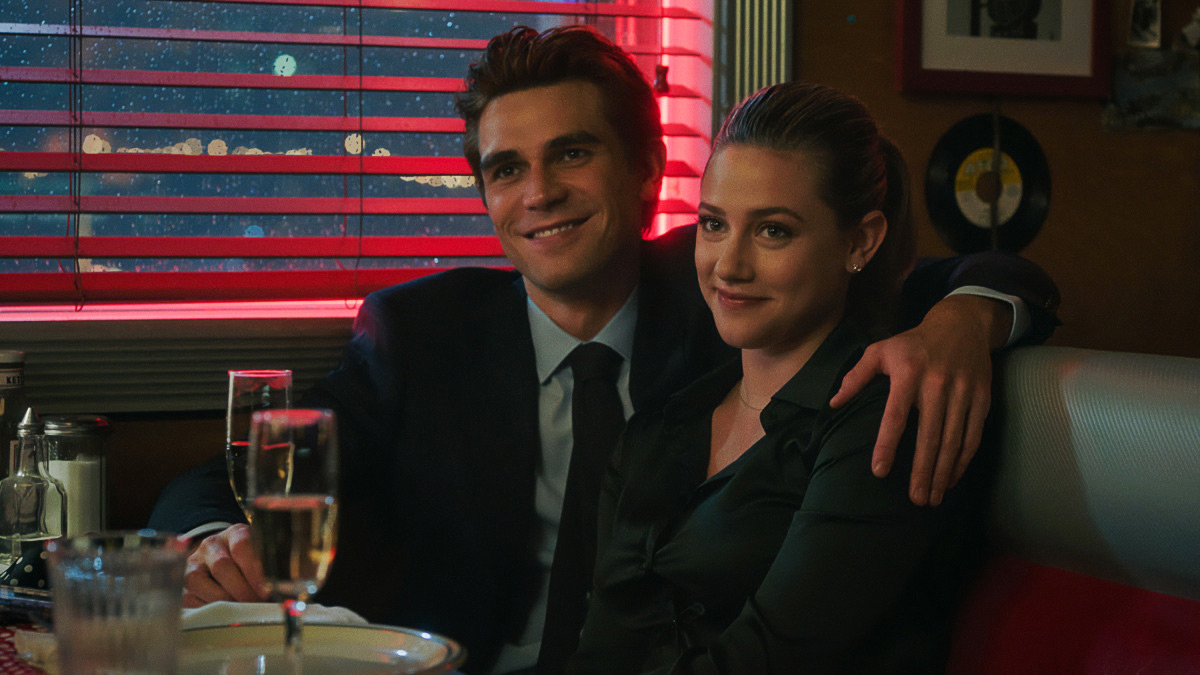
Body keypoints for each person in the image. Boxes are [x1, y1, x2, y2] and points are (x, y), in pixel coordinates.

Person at [148, 26, 1059, 674]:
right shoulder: (423, 334)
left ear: (647, 169)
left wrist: (965, 321)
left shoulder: (730, 296)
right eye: (507, 168)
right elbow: (236, 472)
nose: (539, 192)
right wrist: (210, 539)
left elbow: (962, 271)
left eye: (572, 154)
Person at [569, 81, 995, 674]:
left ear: (860, 241)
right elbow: (599, 649)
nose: (729, 265)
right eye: (713, 224)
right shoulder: (661, 426)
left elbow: (767, 661)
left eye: (773, 231)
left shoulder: (883, 416)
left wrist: (973, 315)